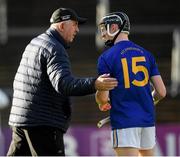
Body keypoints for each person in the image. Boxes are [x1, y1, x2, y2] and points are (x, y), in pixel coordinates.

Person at [7, 7, 118, 156]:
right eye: (75, 24)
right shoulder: (54, 48)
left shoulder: (35, 42)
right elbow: (63, 84)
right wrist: (95, 83)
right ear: (62, 25)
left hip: (20, 120)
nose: (77, 30)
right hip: (43, 124)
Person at [95, 11, 166, 156]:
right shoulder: (147, 54)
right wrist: (149, 99)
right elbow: (161, 92)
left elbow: (103, 97)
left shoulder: (106, 57)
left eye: (104, 29)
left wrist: (100, 102)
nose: (102, 35)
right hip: (147, 120)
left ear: (114, 27)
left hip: (124, 121)